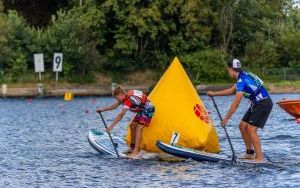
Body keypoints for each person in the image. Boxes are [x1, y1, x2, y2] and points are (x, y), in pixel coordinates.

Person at [207, 58, 273, 162]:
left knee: (251, 129)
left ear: (230, 69)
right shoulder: (243, 75)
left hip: (263, 103)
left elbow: (235, 104)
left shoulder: (242, 81)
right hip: (256, 103)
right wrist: (213, 94)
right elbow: (231, 90)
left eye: (228, 70)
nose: (228, 72)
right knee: (242, 126)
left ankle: (260, 158)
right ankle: (250, 153)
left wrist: (226, 119)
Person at [96, 85, 155, 159]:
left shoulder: (128, 100)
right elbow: (113, 106)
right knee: (132, 126)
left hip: (148, 109)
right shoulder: (124, 97)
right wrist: (102, 109)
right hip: (142, 109)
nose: (116, 100)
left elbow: (121, 115)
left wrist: (111, 127)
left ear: (121, 94)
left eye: (116, 97)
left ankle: (136, 151)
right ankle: (133, 148)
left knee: (139, 128)